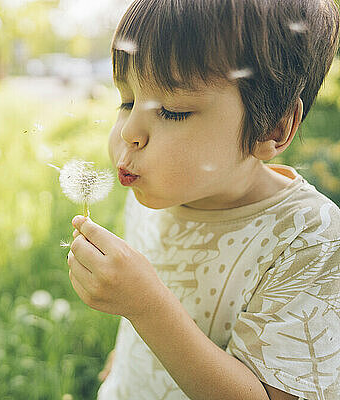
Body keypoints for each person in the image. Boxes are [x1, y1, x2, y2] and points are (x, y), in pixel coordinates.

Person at [65, 0, 340, 399]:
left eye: (173, 112)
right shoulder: (155, 194)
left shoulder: (308, 240)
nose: (129, 131)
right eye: (127, 101)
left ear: (273, 127)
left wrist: (146, 307)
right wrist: (124, 358)